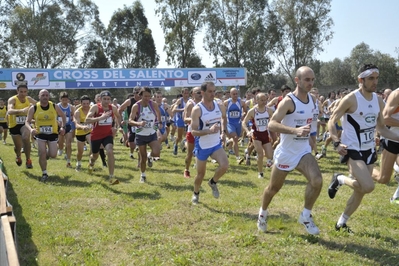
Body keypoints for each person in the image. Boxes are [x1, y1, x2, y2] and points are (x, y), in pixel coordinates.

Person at [327, 64, 399, 232]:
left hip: (369, 150)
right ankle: (340, 179)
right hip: (351, 149)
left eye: (376, 78)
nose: (375, 82)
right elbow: (332, 120)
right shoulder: (351, 99)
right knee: (368, 186)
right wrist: (336, 142)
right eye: (371, 79)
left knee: (360, 191)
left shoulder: (378, 100)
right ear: (361, 80)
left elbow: (381, 128)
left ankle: (341, 223)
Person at [257, 66, 322, 235]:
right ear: (297, 80)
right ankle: (262, 213)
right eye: (307, 79)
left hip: (303, 151)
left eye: (312, 80)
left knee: (317, 181)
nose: (310, 83)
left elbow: (310, 125)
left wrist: (312, 142)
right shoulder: (289, 101)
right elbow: (272, 123)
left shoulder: (313, 100)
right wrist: (295, 130)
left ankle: (306, 216)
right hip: (286, 152)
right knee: (273, 188)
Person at [190, 82, 228, 204]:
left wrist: (223, 132)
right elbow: (194, 132)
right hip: (202, 145)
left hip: (216, 144)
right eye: (210, 91)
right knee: (200, 174)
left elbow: (223, 118)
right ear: (203, 93)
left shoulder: (219, 105)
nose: (213, 94)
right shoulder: (197, 109)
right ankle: (196, 193)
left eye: (214, 91)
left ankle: (213, 182)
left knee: (225, 165)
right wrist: (208, 131)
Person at [25, 89, 66, 182]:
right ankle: (44, 173)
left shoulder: (54, 106)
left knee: (53, 155)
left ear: (49, 97)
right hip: (40, 133)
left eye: (47, 95)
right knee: (41, 153)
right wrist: (31, 129)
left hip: (53, 133)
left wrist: (63, 127)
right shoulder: (34, 107)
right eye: (43, 95)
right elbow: (27, 121)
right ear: (39, 97)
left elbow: (63, 116)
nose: (45, 97)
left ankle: (47, 152)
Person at [85, 90, 121, 185]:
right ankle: (91, 163)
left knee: (110, 151)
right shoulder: (96, 107)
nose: (106, 101)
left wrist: (117, 127)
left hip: (107, 134)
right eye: (104, 99)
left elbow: (118, 116)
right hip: (96, 135)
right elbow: (87, 120)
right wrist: (100, 118)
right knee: (95, 156)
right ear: (100, 99)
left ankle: (111, 176)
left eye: (108, 99)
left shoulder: (113, 108)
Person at [128, 87, 162, 183]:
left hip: (151, 132)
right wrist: (138, 123)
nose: (147, 98)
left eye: (149, 96)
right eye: (145, 96)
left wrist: (159, 122)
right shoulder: (136, 106)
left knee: (157, 152)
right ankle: (142, 175)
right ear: (141, 96)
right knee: (142, 158)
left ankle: (149, 156)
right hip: (140, 134)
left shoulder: (153, 104)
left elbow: (158, 112)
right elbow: (130, 121)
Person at [242, 93, 274, 178]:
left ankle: (266, 162)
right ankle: (260, 173)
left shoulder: (269, 110)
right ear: (257, 100)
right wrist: (247, 131)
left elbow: (274, 119)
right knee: (260, 154)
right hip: (256, 134)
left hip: (265, 134)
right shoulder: (252, 111)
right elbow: (244, 122)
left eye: (265, 100)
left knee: (270, 155)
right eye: (262, 100)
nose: (264, 102)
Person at [7, 84, 37, 168]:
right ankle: (18, 156)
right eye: (21, 92)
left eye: (25, 92)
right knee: (18, 147)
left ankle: (28, 160)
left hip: (25, 124)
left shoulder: (29, 99)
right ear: (17, 91)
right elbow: (10, 111)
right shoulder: (13, 99)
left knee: (25, 138)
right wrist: (22, 111)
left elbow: (39, 105)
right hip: (14, 125)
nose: (23, 94)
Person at [183, 87, 202, 178]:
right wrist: (195, 119)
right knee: (190, 153)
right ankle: (186, 170)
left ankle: (200, 171)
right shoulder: (190, 104)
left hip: (202, 131)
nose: (200, 94)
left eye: (201, 92)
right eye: (198, 92)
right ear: (193, 94)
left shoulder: (204, 103)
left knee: (202, 152)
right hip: (192, 131)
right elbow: (185, 118)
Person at [224, 87, 247, 164]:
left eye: (236, 94)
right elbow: (222, 112)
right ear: (230, 94)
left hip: (238, 123)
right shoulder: (227, 102)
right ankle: (238, 157)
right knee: (235, 138)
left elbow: (245, 111)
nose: (235, 95)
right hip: (230, 123)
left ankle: (228, 141)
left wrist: (243, 114)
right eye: (233, 94)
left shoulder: (241, 102)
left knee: (237, 138)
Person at [119, 87, 142, 160]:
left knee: (141, 140)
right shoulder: (129, 101)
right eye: (137, 93)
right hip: (132, 123)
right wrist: (121, 120)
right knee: (132, 144)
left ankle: (140, 155)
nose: (139, 95)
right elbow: (120, 109)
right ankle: (131, 152)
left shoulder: (144, 101)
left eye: (140, 93)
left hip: (142, 123)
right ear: (134, 93)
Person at [74, 95, 92, 171]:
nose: (86, 105)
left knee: (93, 147)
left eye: (87, 103)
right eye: (84, 104)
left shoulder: (92, 109)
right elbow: (76, 124)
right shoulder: (78, 112)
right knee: (80, 151)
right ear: (81, 103)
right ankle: (78, 163)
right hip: (80, 132)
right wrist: (83, 127)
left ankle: (91, 162)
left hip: (90, 131)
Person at [57, 91, 75, 168]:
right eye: (63, 100)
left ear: (68, 100)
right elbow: (54, 116)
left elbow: (74, 115)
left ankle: (68, 161)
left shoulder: (71, 107)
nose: (65, 101)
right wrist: (58, 123)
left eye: (66, 100)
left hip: (68, 126)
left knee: (68, 143)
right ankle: (60, 149)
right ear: (60, 99)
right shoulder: (57, 106)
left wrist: (72, 118)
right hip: (60, 126)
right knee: (61, 142)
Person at [171, 88, 190, 155]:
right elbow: (173, 109)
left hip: (188, 119)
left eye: (187, 93)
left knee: (188, 135)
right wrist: (182, 109)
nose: (186, 95)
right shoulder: (179, 100)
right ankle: (176, 145)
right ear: (182, 94)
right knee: (179, 137)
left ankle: (185, 145)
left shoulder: (190, 101)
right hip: (180, 119)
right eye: (185, 93)